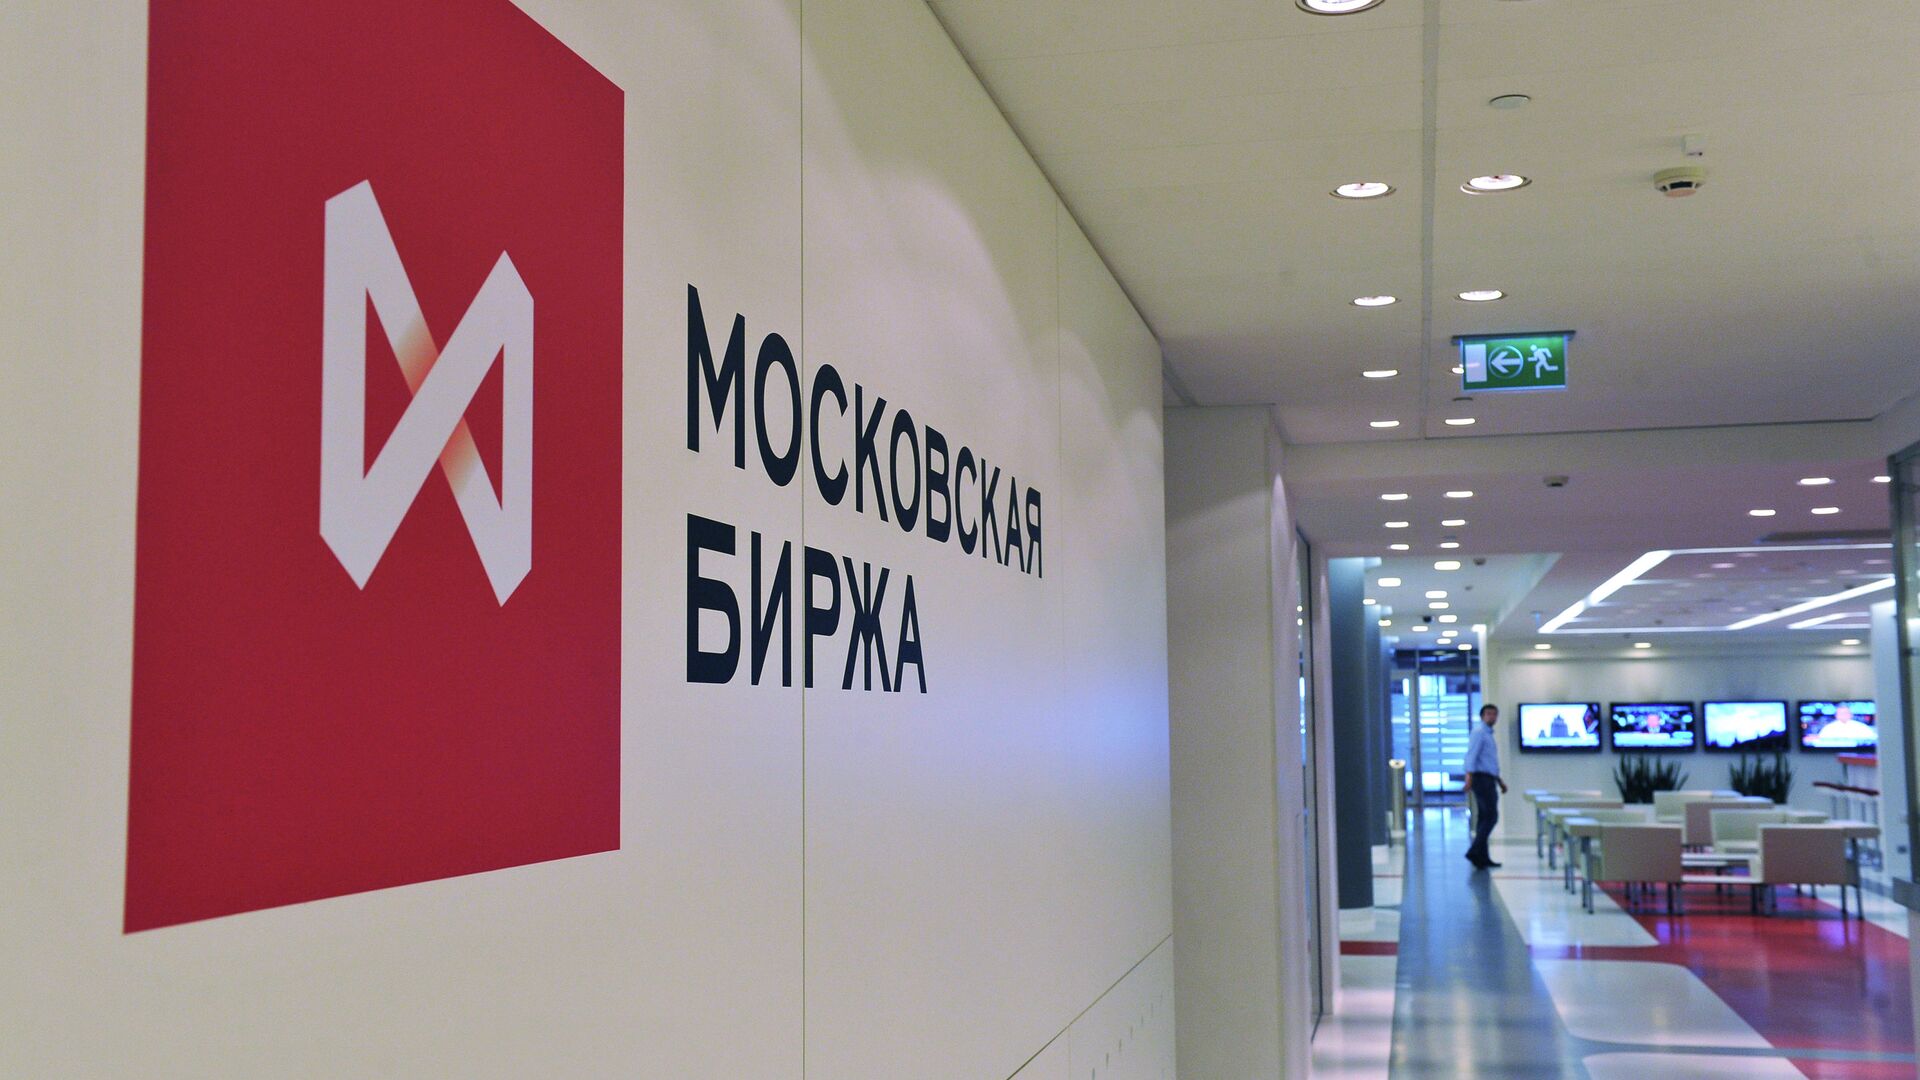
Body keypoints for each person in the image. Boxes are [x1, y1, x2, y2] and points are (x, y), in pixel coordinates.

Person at [1463, 703, 1508, 869]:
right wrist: (1469, 778)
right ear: (1482, 716)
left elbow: (1490, 762)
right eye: (1488, 714)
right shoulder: (1479, 733)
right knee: (1491, 816)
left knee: (1484, 818)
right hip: (1481, 779)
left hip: (1489, 778)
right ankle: (1474, 851)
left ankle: (1482, 857)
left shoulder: (1488, 734)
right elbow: (1471, 757)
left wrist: (1500, 781)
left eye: (1494, 714)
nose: (1492, 717)